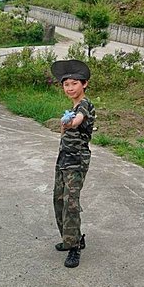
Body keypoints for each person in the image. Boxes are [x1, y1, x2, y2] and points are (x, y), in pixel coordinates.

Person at [50, 59, 96, 268]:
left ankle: (75, 247)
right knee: (59, 199)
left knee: (70, 203)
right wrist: (64, 125)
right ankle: (71, 239)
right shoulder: (73, 106)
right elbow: (64, 131)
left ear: (84, 84)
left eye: (74, 83)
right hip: (64, 158)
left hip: (76, 160)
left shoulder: (85, 105)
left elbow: (76, 121)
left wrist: (66, 122)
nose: (69, 88)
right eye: (66, 84)